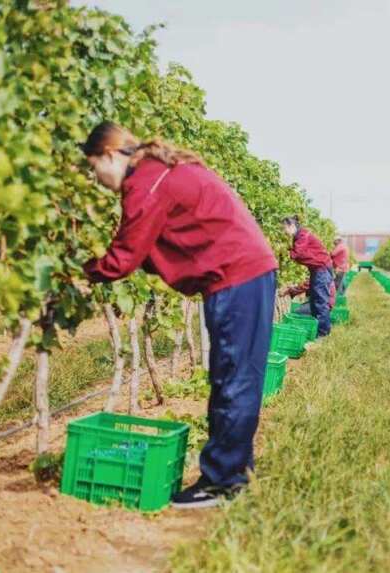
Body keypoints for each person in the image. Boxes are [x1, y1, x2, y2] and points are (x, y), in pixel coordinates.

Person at [79, 121, 277, 509]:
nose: (96, 178)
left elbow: (124, 257)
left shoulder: (146, 183)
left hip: (237, 276)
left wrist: (81, 272)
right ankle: (233, 473)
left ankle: (223, 483)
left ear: (106, 155)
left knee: (234, 378)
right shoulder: (158, 173)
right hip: (241, 274)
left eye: (93, 167)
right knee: (232, 376)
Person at [281, 216, 334, 337]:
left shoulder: (303, 234)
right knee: (315, 302)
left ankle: (323, 334)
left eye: (284, 228)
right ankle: (318, 332)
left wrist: (282, 252)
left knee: (320, 302)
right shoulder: (298, 237)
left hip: (322, 270)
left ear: (292, 226)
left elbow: (297, 253)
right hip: (317, 270)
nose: (284, 232)